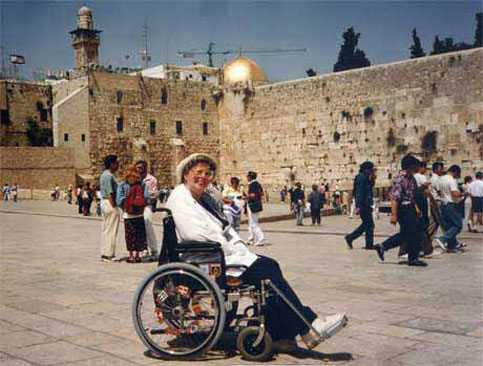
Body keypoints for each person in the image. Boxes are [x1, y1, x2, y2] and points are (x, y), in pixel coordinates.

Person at [166, 153, 347, 352]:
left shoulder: (204, 199)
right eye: (198, 172)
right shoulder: (180, 198)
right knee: (265, 268)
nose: (204, 177)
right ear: (185, 175)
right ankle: (308, 325)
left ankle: (282, 335)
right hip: (205, 260)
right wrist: (231, 249)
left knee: (269, 266)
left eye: (207, 173)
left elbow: (225, 228)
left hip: (220, 255)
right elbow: (196, 234)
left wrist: (239, 247)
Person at [375, 155, 428, 266]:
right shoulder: (398, 179)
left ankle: (383, 246)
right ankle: (413, 258)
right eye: (415, 165)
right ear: (410, 166)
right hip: (402, 209)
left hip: (410, 208)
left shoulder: (411, 178)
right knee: (413, 233)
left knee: (407, 233)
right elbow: (395, 197)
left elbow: (411, 195)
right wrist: (394, 215)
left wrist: (416, 208)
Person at [117, 164, 150, 263]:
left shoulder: (122, 184)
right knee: (139, 235)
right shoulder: (142, 183)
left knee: (130, 235)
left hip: (128, 214)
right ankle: (137, 255)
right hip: (140, 214)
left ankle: (131, 256)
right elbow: (147, 198)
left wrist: (126, 207)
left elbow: (119, 201)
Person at [433, 165, 464, 253]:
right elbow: (455, 194)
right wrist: (465, 193)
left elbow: (438, 190)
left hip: (444, 204)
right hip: (452, 204)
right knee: (457, 225)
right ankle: (442, 239)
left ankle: (451, 246)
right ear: (455, 172)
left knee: (449, 226)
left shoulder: (441, 179)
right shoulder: (451, 180)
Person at [345, 162, 375, 250]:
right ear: (366, 169)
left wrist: (372, 179)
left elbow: (369, 187)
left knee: (367, 224)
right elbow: (359, 192)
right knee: (369, 225)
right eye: (371, 169)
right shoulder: (361, 178)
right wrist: (358, 206)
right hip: (363, 204)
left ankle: (351, 238)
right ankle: (367, 243)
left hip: (366, 203)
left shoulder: (365, 177)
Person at [135, 160, 159, 258]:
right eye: (137, 168)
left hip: (146, 205)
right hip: (137, 206)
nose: (138, 170)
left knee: (148, 224)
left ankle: (154, 249)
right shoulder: (135, 178)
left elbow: (154, 194)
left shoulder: (151, 179)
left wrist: (143, 196)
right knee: (139, 228)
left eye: (140, 167)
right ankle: (143, 249)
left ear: (145, 168)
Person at [99, 155, 121, 262]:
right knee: (111, 230)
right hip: (109, 203)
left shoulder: (104, 175)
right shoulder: (109, 176)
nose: (118, 165)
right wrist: (115, 207)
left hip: (104, 203)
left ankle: (104, 252)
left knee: (106, 229)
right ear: (111, 164)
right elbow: (110, 192)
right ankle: (109, 254)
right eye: (116, 163)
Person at [245, 171, 267, 246]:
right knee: (251, 223)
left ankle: (261, 239)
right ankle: (250, 239)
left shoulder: (252, 185)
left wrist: (245, 196)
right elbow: (261, 193)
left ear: (250, 177)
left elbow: (253, 195)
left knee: (254, 224)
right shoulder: (258, 184)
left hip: (252, 205)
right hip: (257, 204)